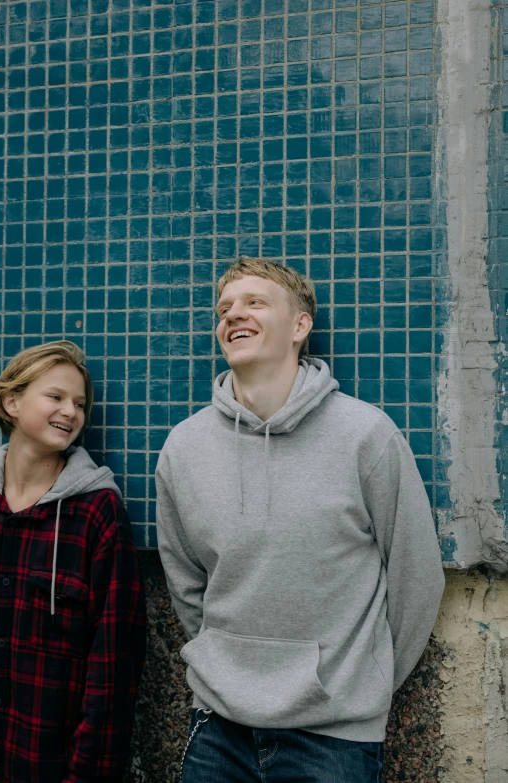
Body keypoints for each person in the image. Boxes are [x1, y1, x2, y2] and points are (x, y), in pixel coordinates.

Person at [156, 257, 445, 783]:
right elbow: (185, 579)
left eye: (254, 302)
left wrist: (366, 682)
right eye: (224, 308)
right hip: (218, 728)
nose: (232, 315)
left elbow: (416, 573)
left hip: (333, 736)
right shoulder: (184, 447)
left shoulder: (365, 435)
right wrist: (220, 663)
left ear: (300, 326)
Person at [0, 341, 147, 783]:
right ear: (11, 401)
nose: (72, 412)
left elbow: (114, 664)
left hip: (46, 765)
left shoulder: (98, 513)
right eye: (55, 397)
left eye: (79, 403)